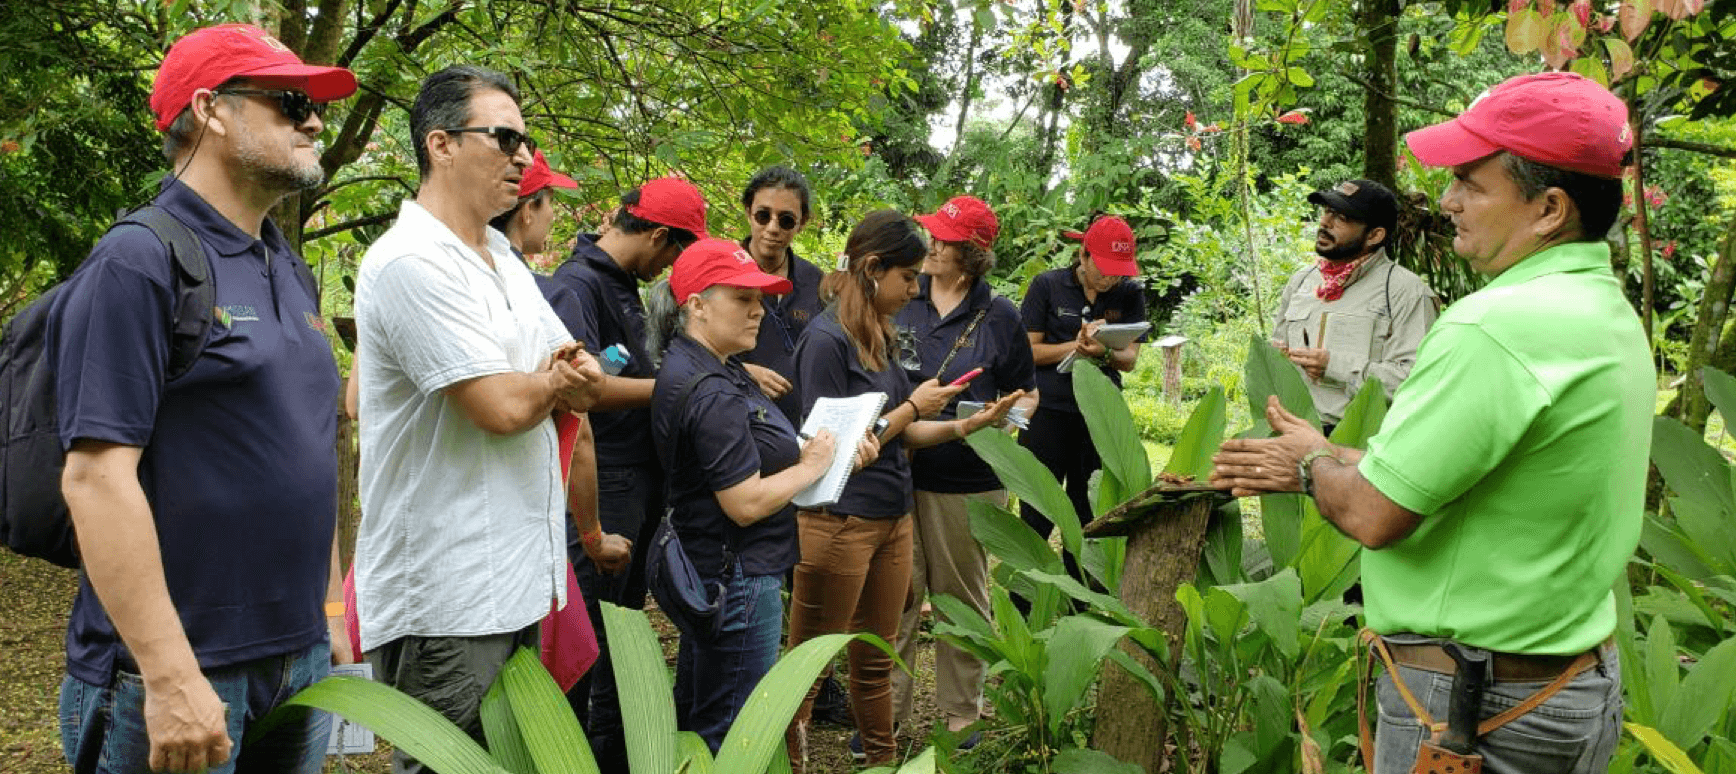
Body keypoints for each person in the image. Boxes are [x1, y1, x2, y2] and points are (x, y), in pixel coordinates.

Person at [1211, 72, 1645, 774]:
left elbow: (1378, 514)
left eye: (1471, 183)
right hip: (1570, 680)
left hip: (1475, 704)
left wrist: (1307, 464)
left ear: (1549, 208)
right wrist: (1330, 451)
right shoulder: (1602, 310)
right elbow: (1483, 474)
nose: (1446, 202)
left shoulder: (1494, 324)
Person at [49, 24, 356, 774]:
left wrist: (330, 614)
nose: (314, 120)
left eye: (315, 104)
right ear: (211, 110)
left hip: (299, 663)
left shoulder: (287, 266)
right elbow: (94, 477)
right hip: (183, 673)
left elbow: (308, 449)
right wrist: (169, 675)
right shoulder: (139, 260)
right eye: (290, 101)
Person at [352, 65, 612, 774]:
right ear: (439, 145)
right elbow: (500, 408)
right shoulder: (408, 262)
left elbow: (577, 373)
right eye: (505, 138)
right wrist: (555, 382)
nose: (524, 157)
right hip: (450, 596)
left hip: (517, 581)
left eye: (525, 141)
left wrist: (562, 381)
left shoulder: (498, 254)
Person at [784, 210, 1022, 771]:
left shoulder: (881, 334)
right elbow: (834, 454)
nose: (915, 288)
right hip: (841, 524)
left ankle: (881, 761)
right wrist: (915, 405)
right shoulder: (825, 342)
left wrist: (967, 425)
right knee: (812, 664)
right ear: (872, 269)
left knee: (876, 658)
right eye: (907, 277)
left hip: (893, 516)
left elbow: (900, 432)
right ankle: (786, 759)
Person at [648, 238, 875, 752]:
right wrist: (815, 464)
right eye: (742, 299)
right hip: (737, 579)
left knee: (703, 715)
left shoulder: (712, 365)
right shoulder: (711, 389)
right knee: (731, 734)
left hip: (713, 568)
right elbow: (744, 502)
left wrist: (825, 457)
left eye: (760, 299)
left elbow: (748, 456)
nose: (758, 311)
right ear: (697, 306)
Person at [541, 176, 707, 772]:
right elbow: (581, 391)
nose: (670, 265)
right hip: (602, 483)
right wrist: (678, 389)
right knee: (591, 639)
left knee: (621, 636)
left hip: (635, 484)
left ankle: (613, 757)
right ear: (659, 234)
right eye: (673, 252)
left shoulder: (619, 287)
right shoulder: (576, 287)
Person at [890, 196, 1037, 744]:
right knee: (897, 595)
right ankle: (887, 713)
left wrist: (1002, 423)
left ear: (972, 255)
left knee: (961, 596)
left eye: (944, 239)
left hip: (969, 479)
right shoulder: (904, 295)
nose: (932, 244)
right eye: (933, 233)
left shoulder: (1000, 315)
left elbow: (1028, 396)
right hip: (899, 470)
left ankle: (961, 714)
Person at [1018, 215, 1146, 560]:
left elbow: (1130, 357)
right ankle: (1027, 596)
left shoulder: (1131, 294)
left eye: (1118, 270)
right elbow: (1028, 351)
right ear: (1083, 255)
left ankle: (1086, 595)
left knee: (1090, 506)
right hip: (1047, 410)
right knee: (1036, 509)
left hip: (1100, 416)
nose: (1110, 278)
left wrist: (1104, 351)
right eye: (1103, 268)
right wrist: (1074, 347)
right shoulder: (1047, 286)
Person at [1271, 179, 1437, 432]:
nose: (1325, 223)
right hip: (1293, 432)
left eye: (1343, 218)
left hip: (1361, 442)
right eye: (1327, 211)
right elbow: (1277, 350)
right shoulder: (1301, 281)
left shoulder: (1406, 291)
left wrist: (1333, 366)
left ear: (1374, 235)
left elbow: (1416, 383)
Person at [736, 166, 827, 425]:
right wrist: (742, 373)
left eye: (786, 220)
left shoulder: (815, 281)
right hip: (738, 423)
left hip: (801, 427)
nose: (773, 228)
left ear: (802, 223)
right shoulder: (721, 276)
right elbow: (690, 353)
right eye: (763, 216)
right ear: (748, 213)